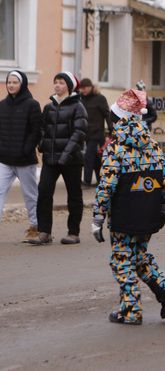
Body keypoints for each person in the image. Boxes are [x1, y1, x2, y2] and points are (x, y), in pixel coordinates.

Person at [92, 88, 165, 325]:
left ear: (116, 120)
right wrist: (161, 206)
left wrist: (98, 217)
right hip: (148, 212)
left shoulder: (115, 148)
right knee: (139, 256)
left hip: (124, 216)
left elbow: (106, 186)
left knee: (121, 260)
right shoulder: (152, 144)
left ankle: (130, 311)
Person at [29, 72, 87, 245]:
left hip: (72, 159)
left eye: (61, 82)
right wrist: (42, 145)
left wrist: (66, 154)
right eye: (55, 82)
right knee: (44, 193)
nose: (57, 85)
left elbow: (79, 133)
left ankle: (73, 233)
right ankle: (44, 232)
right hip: (50, 159)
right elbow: (42, 128)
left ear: (69, 86)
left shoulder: (78, 107)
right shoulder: (49, 107)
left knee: (74, 195)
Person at [0, 70, 41, 242]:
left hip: (25, 161)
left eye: (14, 82)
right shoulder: (2, 105)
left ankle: (35, 228)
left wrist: (26, 149)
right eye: (9, 82)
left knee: (30, 195)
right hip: (5, 160)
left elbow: (36, 131)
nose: (11, 85)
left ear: (22, 84)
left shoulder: (32, 104)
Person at [79, 78, 113, 187]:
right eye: (81, 89)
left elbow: (107, 115)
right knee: (96, 159)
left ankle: (87, 181)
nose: (82, 90)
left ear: (90, 87)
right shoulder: (81, 99)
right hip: (86, 134)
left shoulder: (100, 98)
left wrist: (112, 130)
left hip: (96, 134)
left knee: (89, 157)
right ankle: (100, 180)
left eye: (84, 88)